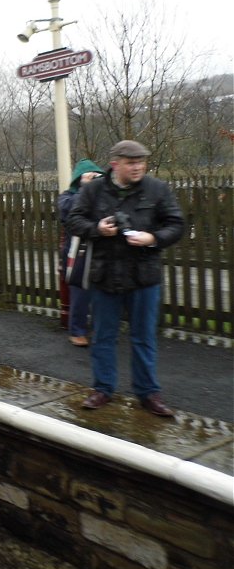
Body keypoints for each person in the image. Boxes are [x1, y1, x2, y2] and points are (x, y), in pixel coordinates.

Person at [66, 140, 184, 416]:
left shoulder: (156, 189)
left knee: (143, 337)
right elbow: (73, 220)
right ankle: (102, 389)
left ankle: (148, 394)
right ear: (115, 163)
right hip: (105, 275)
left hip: (144, 277)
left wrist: (152, 238)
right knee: (104, 336)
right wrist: (97, 228)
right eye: (132, 163)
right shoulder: (93, 190)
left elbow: (176, 224)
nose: (138, 167)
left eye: (142, 162)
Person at [58, 159, 104, 347]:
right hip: (78, 251)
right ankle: (77, 330)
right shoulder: (67, 197)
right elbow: (67, 213)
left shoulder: (105, 195)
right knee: (80, 292)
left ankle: (100, 329)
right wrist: (86, 189)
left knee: (103, 293)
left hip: (102, 249)